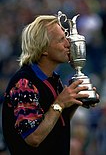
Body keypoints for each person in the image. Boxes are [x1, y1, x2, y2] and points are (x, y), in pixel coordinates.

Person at [2, 14, 99, 155]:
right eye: (61, 40)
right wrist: (60, 103)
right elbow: (33, 137)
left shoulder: (52, 79)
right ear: (44, 48)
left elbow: (56, 123)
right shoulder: (24, 83)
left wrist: (73, 102)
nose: (68, 44)